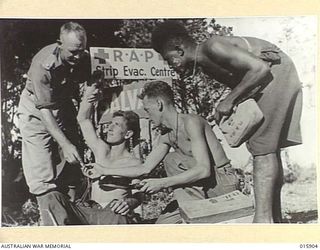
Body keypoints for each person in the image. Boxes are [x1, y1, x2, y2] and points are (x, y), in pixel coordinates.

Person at [150, 21, 303, 223]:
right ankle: (273, 218)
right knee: (268, 149)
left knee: (262, 149)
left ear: (178, 48)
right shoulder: (204, 63)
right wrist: (230, 103)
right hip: (276, 75)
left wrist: (229, 101)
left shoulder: (212, 47)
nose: (170, 64)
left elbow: (259, 68)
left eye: (168, 58)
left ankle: (262, 221)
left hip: (275, 74)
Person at [83, 81, 238, 224]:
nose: (148, 117)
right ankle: (193, 215)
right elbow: (144, 169)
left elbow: (204, 170)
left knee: (172, 159)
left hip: (221, 182)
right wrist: (104, 170)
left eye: (148, 110)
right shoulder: (166, 136)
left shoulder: (191, 121)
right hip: (198, 188)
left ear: (159, 104)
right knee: (161, 226)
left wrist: (162, 183)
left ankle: (197, 219)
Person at [17, 21, 91, 225]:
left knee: (70, 166)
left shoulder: (83, 57)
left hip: (62, 103)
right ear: (59, 43)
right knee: (42, 176)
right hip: (36, 109)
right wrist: (65, 144)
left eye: (81, 51)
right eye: (73, 52)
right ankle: (54, 227)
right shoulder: (43, 66)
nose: (78, 57)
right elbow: (45, 112)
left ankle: (74, 216)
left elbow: (85, 87)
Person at [76, 84, 143, 224]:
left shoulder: (134, 162)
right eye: (110, 124)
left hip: (114, 214)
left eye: (117, 125)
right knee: (56, 199)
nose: (109, 129)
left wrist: (128, 203)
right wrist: (89, 96)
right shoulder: (101, 149)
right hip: (92, 213)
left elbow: (139, 194)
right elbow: (83, 120)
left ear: (128, 134)